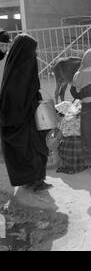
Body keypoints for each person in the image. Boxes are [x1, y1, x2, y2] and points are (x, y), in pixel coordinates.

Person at [0, 34, 52, 191]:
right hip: (23, 119)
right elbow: (22, 95)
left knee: (28, 150)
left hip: (20, 118)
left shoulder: (14, 68)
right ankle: (35, 181)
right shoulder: (22, 68)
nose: (34, 54)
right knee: (33, 149)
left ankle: (31, 180)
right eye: (33, 50)